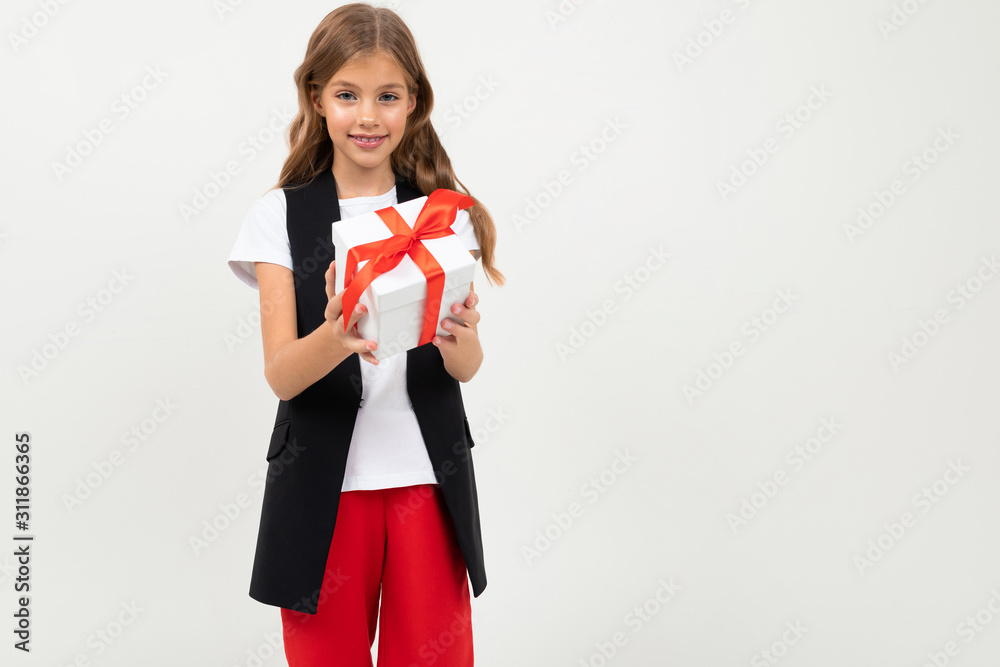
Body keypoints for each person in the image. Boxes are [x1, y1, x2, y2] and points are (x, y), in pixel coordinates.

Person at [226, 4, 505, 665]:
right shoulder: (278, 217)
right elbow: (282, 374)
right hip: (325, 488)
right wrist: (336, 333)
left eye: (388, 96)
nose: (369, 116)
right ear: (317, 97)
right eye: (348, 95)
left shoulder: (441, 215)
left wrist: (462, 340)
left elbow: (465, 366)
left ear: (414, 102)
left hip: (425, 483)